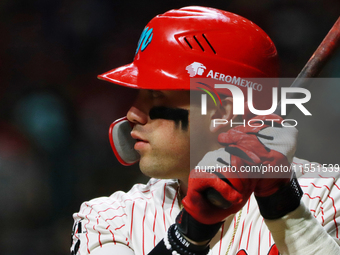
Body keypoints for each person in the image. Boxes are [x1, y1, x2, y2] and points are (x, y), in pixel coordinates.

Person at [70, 6, 340, 255]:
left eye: (156, 96)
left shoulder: (328, 193)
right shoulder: (109, 218)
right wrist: (189, 234)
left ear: (223, 111)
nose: (132, 114)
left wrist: (285, 207)